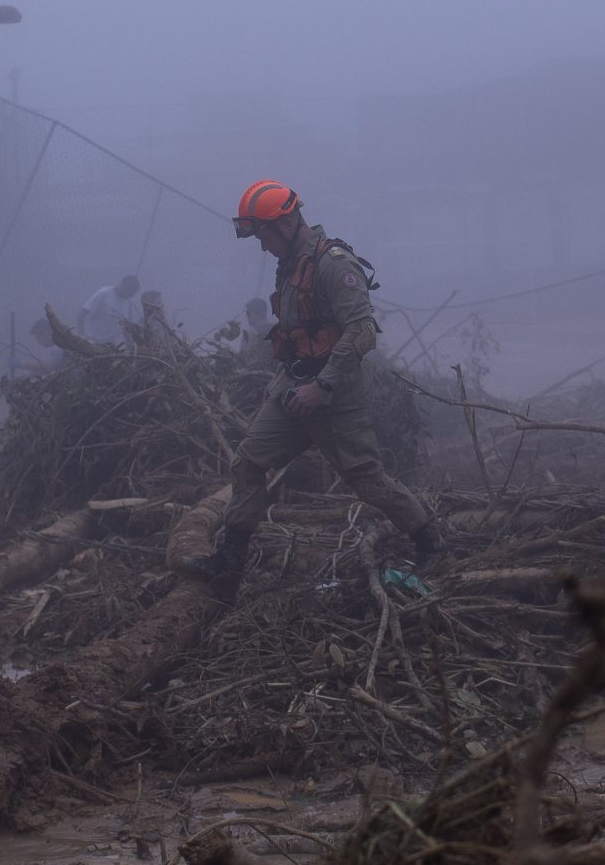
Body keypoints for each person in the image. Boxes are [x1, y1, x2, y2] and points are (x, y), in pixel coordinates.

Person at [187, 180, 441, 589]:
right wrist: (295, 381)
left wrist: (321, 387)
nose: (262, 244)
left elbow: (361, 332)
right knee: (248, 462)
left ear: (287, 222)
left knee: (368, 482)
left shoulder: (334, 264)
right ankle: (229, 560)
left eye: (265, 233)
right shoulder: (289, 265)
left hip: (336, 393)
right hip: (294, 384)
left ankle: (429, 544)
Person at [78, 275, 141, 348]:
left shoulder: (129, 302)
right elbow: (82, 313)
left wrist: (130, 346)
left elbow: (127, 327)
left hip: (109, 345)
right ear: (124, 286)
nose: (132, 295)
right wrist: (81, 334)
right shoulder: (103, 293)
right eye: (131, 291)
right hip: (90, 341)